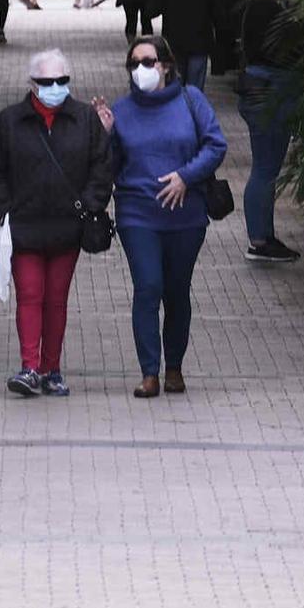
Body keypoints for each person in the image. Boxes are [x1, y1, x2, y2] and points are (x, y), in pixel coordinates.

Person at [95, 36, 226, 398]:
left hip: (186, 217)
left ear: (166, 65)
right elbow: (107, 167)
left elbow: (216, 144)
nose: (141, 70)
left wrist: (186, 175)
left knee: (176, 291)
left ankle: (174, 368)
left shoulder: (191, 101)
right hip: (138, 213)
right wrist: (103, 135)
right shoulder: (121, 111)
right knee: (148, 286)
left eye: (148, 62)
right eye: (134, 63)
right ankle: (149, 372)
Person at [0, 48, 113, 397]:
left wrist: (90, 204)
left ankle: (52, 368)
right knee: (30, 294)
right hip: (24, 227)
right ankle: (30, 367)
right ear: (32, 84)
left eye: (61, 80)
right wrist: (1, 214)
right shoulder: (8, 122)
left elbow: (101, 166)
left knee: (56, 299)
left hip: (68, 227)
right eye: (47, 81)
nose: (55, 87)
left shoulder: (85, 119)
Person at [235, 0, 304, 263]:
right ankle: (260, 240)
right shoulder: (269, 8)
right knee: (266, 168)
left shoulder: (253, 6)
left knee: (264, 167)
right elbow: (282, 50)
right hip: (271, 90)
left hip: (257, 88)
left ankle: (262, 236)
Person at [159, 0, 214, 89]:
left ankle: (178, 110)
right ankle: (192, 110)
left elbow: (151, 11)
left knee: (174, 87)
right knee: (194, 90)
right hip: (199, 44)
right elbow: (217, 15)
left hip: (174, 44)